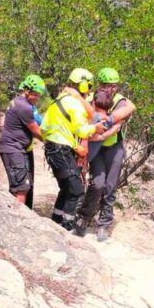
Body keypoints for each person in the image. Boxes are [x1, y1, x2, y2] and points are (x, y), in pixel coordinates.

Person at [75, 68, 136, 241]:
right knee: (97, 184)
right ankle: (84, 217)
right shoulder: (92, 98)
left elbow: (119, 123)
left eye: (114, 86)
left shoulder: (119, 100)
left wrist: (103, 134)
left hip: (113, 146)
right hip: (96, 148)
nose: (112, 89)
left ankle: (104, 223)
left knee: (110, 186)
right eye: (108, 86)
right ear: (100, 84)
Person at [41, 68, 105, 231]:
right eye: (88, 87)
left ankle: (56, 221)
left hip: (53, 148)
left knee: (66, 188)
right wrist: (95, 128)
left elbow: (45, 127)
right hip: (60, 150)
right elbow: (81, 130)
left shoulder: (59, 99)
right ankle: (66, 226)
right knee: (76, 190)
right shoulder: (74, 104)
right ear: (84, 87)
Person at [0, 75, 46, 209]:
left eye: (39, 96)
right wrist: (53, 141)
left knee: (23, 185)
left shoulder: (18, 101)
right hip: (13, 149)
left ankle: (16, 214)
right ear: (27, 91)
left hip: (19, 149)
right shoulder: (24, 107)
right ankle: (17, 219)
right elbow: (37, 132)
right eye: (35, 95)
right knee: (21, 188)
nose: (37, 98)